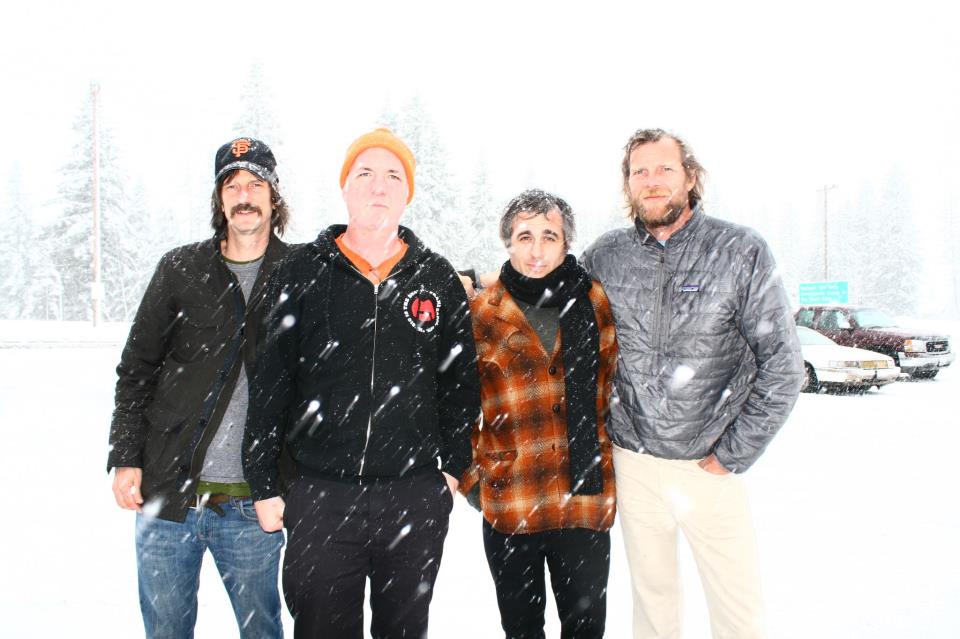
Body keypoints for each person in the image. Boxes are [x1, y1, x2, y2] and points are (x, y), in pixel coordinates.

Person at [243, 127, 481, 639]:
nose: (378, 186)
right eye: (365, 173)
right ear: (345, 186)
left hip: (412, 495)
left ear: (407, 192)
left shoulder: (435, 278)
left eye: (393, 176)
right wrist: (263, 482)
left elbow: (460, 383)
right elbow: (271, 382)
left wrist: (452, 469)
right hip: (321, 494)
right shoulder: (301, 272)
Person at [581, 128, 804, 639]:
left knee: (737, 614)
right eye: (640, 171)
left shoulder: (739, 251)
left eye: (665, 168)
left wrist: (732, 453)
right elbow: (556, 306)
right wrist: (478, 290)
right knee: (653, 607)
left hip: (709, 468)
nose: (652, 181)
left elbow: (783, 365)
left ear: (690, 177)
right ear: (627, 184)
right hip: (634, 464)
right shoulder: (606, 256)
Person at [108, 137, 290, 638]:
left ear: (274, 195)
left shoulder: (300, 273)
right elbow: (137, 369)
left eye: (255, 184)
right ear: (219, 199)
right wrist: (125, 455)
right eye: (232, 186)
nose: (244, 196)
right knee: (166, 631)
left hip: (254, 505)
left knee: (262, 631)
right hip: (168, 499)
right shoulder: (180, 269)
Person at [460, 189, 618, 638]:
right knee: (522, 630)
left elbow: (610, 383)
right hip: (513, 501)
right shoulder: (483, 312)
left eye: (549, 236)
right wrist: (475, 481)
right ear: (508, 243)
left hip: (584, 502)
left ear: (566, 243)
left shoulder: (594, 302)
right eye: (524, 236)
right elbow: (458, 405)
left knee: (586, 629)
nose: (536, 250)